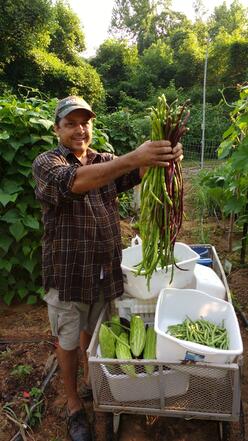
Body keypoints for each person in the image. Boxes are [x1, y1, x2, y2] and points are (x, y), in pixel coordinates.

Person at [32, 95, 183, 441]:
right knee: (68, 340)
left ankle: (90, 381)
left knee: (93, 331)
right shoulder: (47, 163)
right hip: (68, 275)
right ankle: (73, 404)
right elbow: (75, 182)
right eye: (70, 123)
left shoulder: (104, 160)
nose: (79, 130)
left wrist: (165, 155)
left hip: (103, 270)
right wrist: (133, 157)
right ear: (57, 129)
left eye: (85, 122)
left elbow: (137, 171)